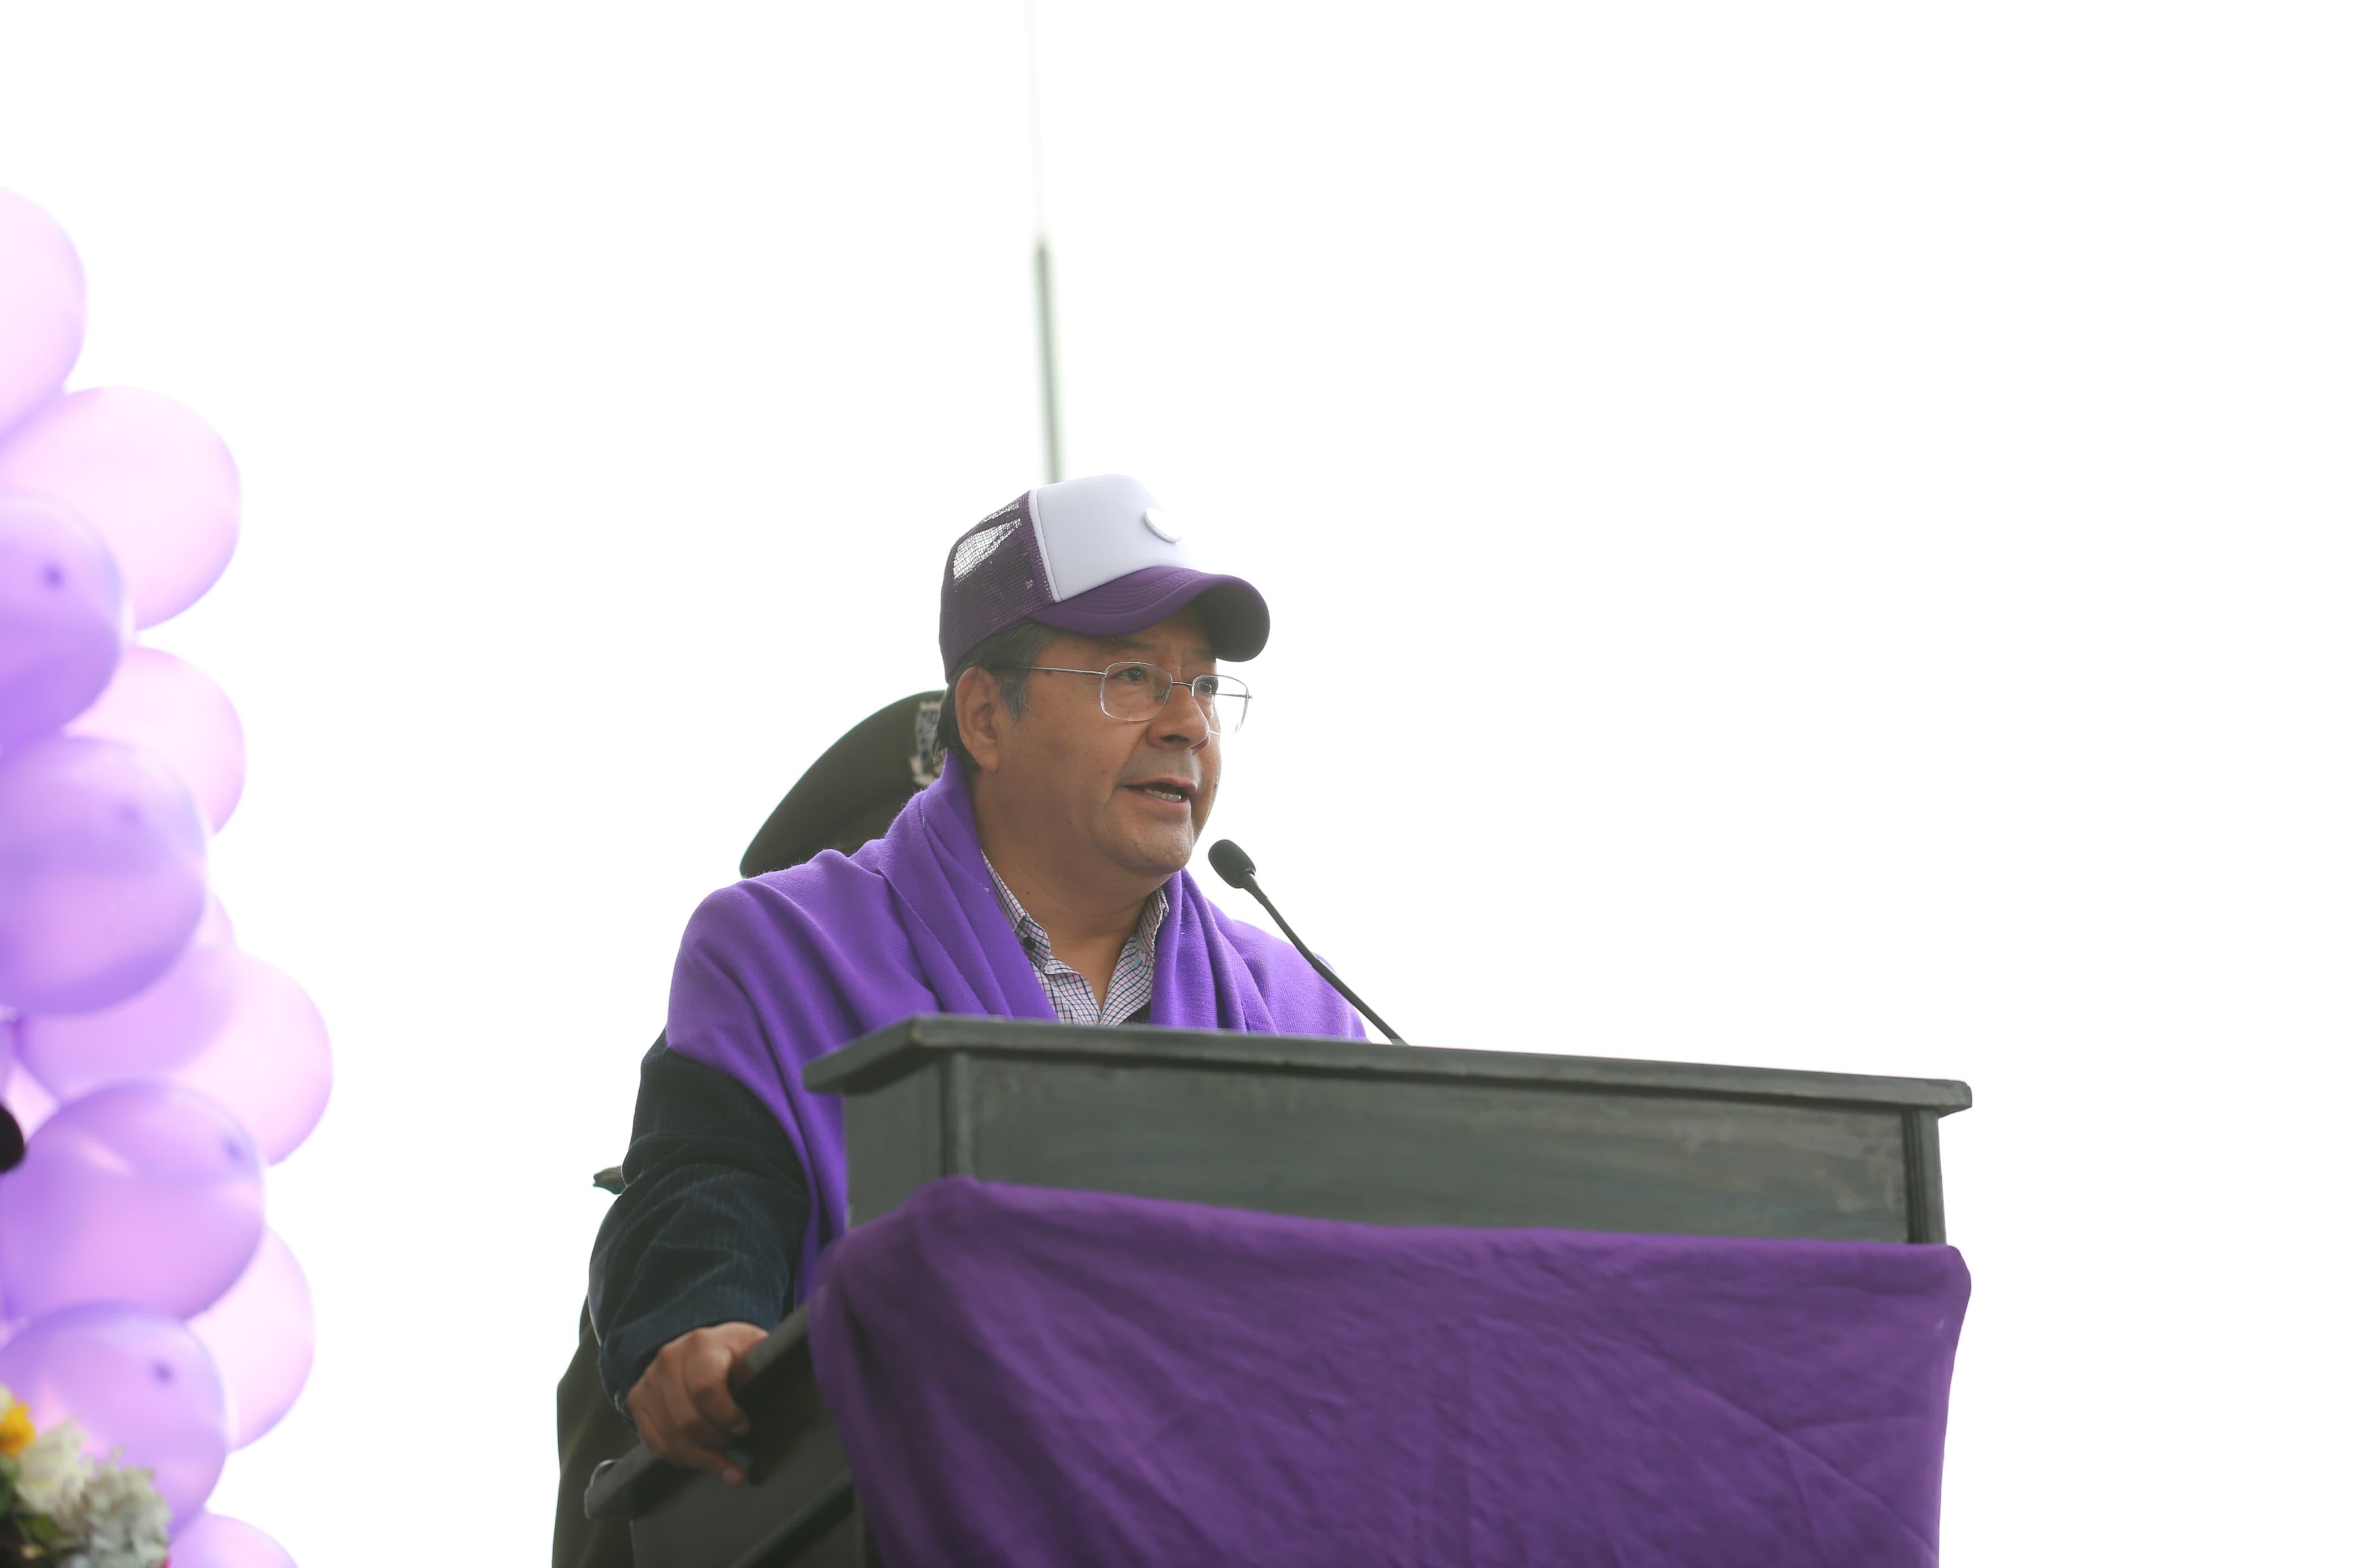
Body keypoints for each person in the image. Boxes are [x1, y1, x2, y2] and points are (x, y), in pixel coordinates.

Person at [585, 472, 1364, 1497]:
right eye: (1133, 676)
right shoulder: (782, 950)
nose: (1188, 723)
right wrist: (701, 1325)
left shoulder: (1304, 1013)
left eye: (1206, 686)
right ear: (987, 717)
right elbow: (708, 1186)